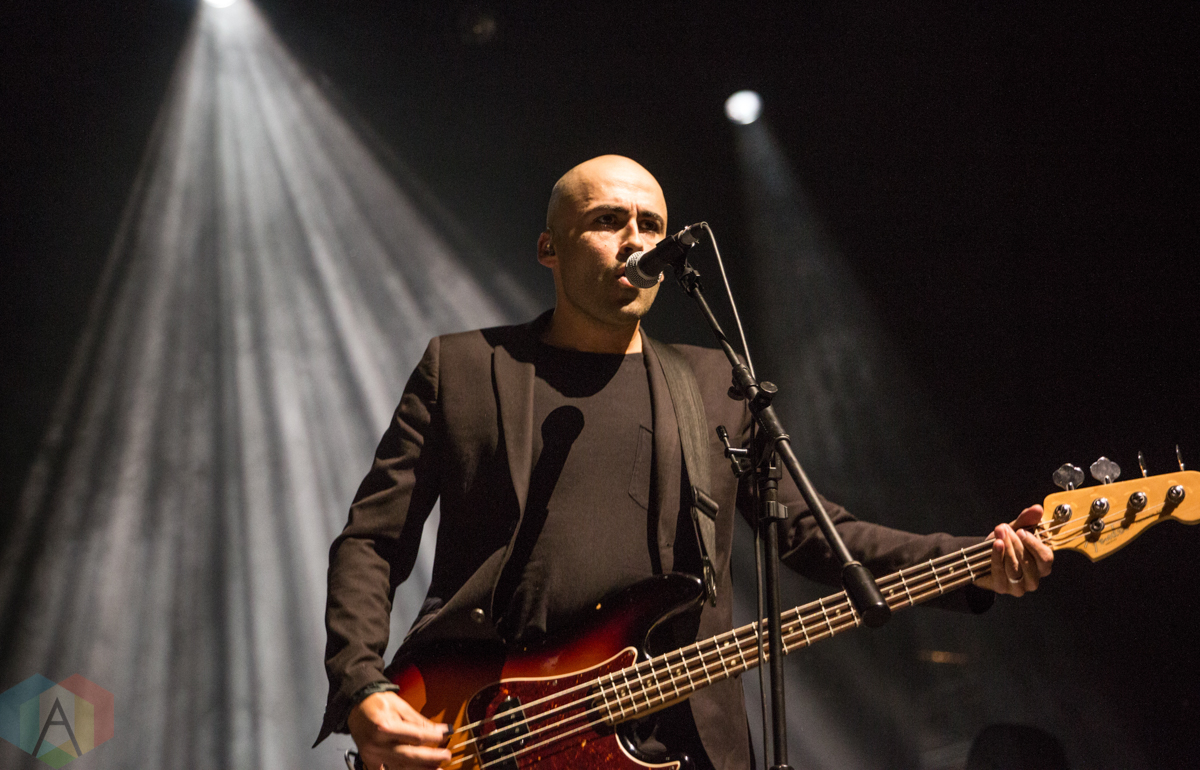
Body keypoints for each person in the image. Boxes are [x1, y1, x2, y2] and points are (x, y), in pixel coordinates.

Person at [315, 155, 1054, 769]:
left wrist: (974, 562)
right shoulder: (465, 369)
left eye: (651, 225)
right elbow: (373, 541)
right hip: (483, 730)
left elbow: (817, 534)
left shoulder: (714, 384)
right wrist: (361, 686)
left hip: (681, 743)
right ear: (549, 248)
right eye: (608, 221)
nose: (635, 240)